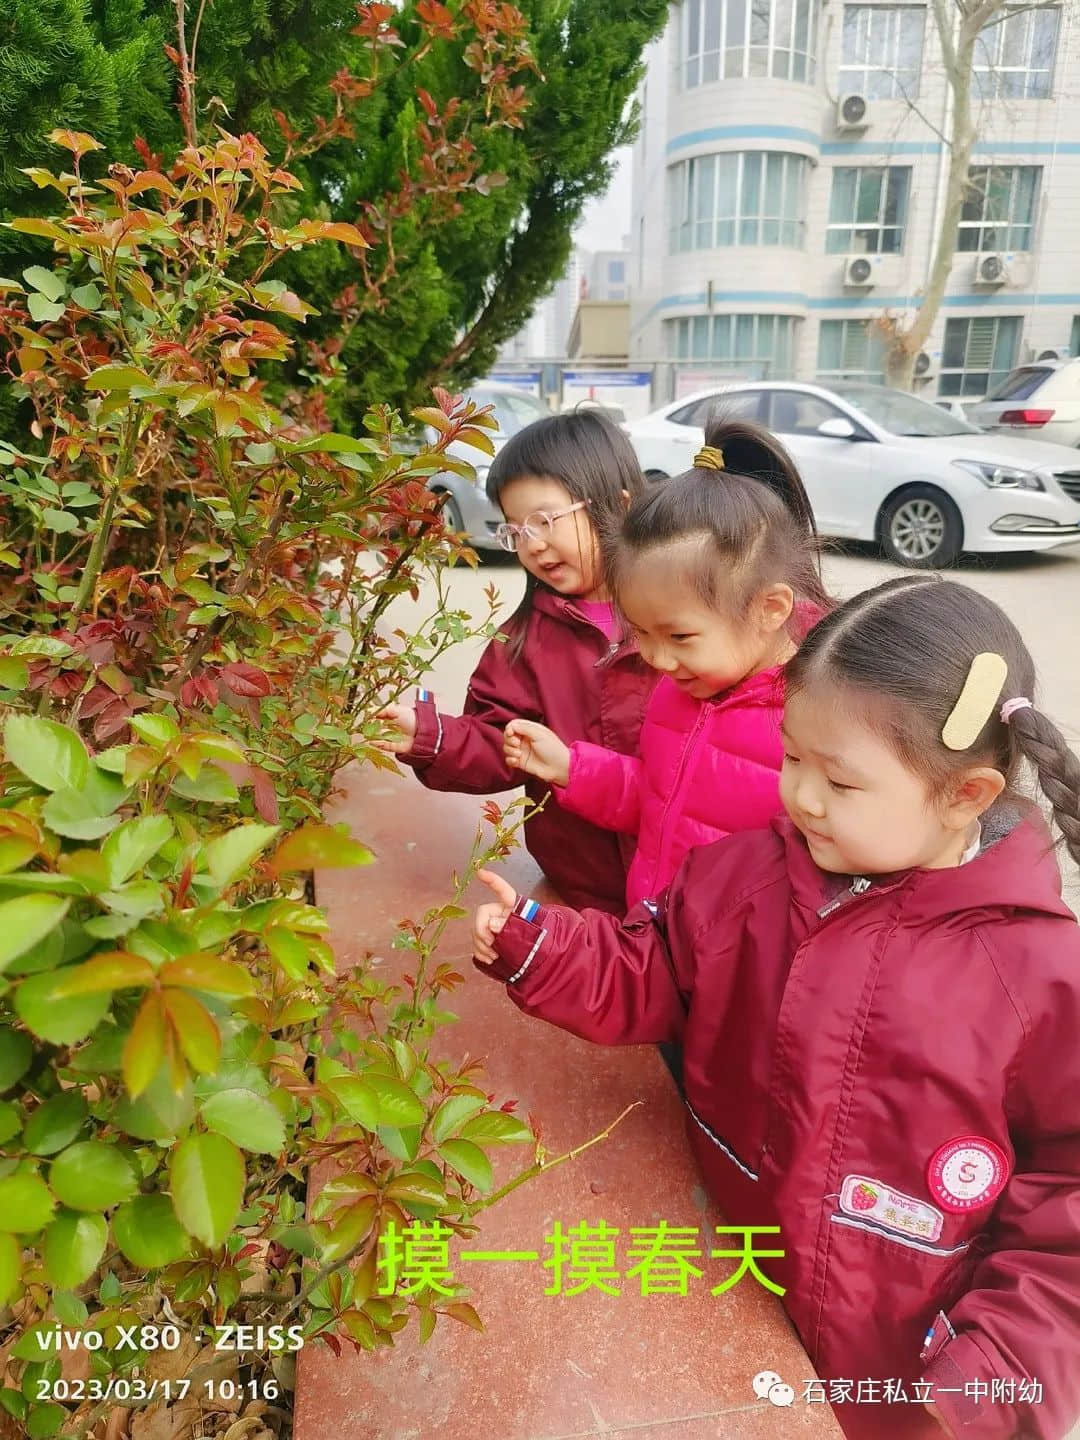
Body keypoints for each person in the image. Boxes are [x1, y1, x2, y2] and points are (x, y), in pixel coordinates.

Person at [472, 574, 1080, 1440]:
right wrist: (546, 947)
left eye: (841, 780)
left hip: (912, 1376)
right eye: (793, 756)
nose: (801, 796)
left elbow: (1066, 1199)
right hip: (741, 1288)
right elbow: (655, 971)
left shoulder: (1039, 973)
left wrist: (993, 1375)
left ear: (966, 795)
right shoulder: (744, 876)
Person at [501, 417, 829, 911]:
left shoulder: (816, 721)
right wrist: (571, 767)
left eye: (678, 636)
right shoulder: (679, 691)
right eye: (641, 632)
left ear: (769, 608)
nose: (655, 656)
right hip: (657, 936)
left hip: (733, 965)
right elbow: (659, 803)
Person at [376, 408, 656, 914]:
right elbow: (497, 739)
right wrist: (431, 738)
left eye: (545, 521)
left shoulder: (677, 616)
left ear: (620, 504)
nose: (533, 544)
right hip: (584, 887)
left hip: (685, 877)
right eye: (515, 531)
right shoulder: (525, 639)